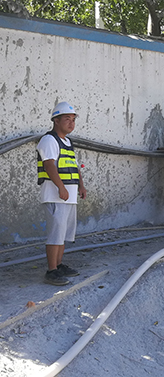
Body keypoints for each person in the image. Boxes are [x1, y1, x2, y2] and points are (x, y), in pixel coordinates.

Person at [36, 102, 87, 286]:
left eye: (73, 120)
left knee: (63, 233)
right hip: (55, 195)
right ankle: (51, 271)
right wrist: (61, 187)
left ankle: (58, 265)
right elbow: (49, 165)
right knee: (55, 233)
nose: (71, 123)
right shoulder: (49, 140)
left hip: (68, 196)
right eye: (67, 119)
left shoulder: (67, 142)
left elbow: (74, 166)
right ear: (56, 121)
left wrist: (81, 186)